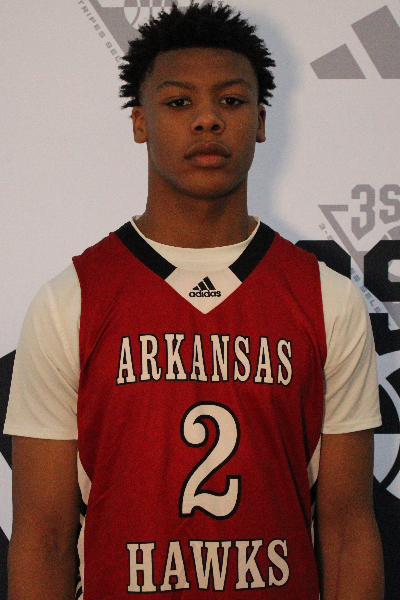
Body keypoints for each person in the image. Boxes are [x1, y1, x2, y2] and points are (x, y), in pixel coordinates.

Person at [4, 2, 384, 599]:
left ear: (260, 122)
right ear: (140, 122)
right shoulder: (69, 301)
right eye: (179, 102)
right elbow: (44, 535)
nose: (207, 119)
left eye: (231, 100)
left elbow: (346, 528)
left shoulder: (327, 299)